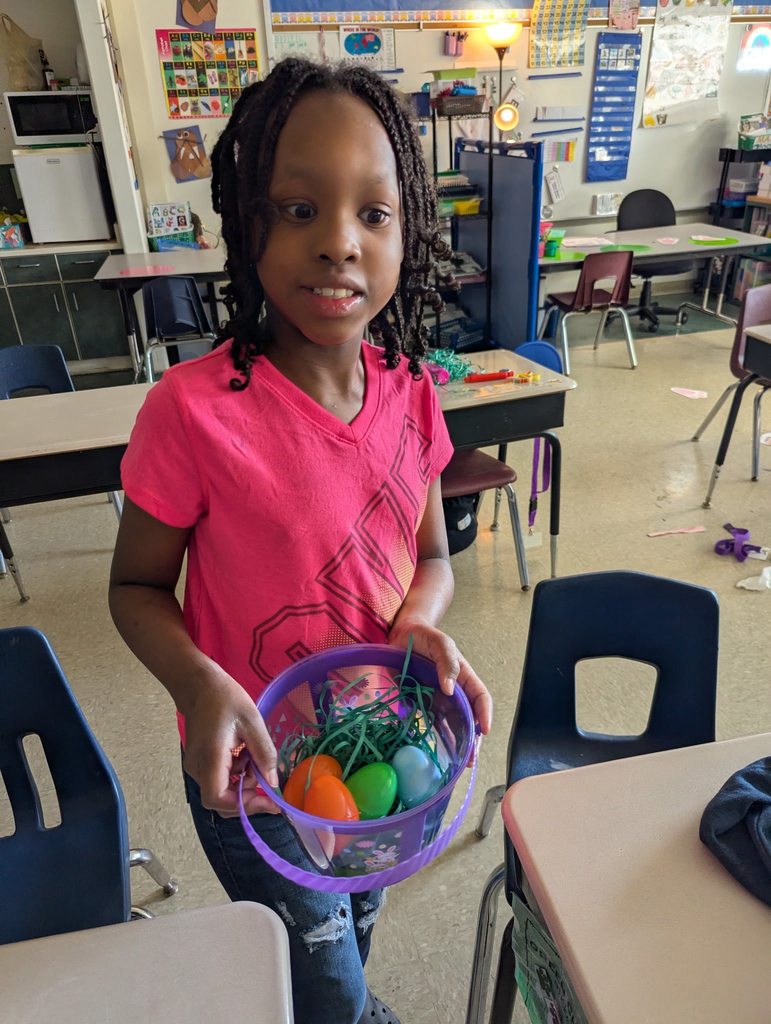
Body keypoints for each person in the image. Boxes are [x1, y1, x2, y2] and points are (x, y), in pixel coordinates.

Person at [109, 57, 492, 1024]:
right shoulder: (191, 411)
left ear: (409, 232)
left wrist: (419, 620)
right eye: (297, 210)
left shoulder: (412, 392)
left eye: (373, 213)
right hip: (258, 784)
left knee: (350, 937)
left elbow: (433, 557)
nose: (338, 245)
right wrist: (199, 686)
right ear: (247, 223)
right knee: (329, 993)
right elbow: (135, 589)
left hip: (372, 754)